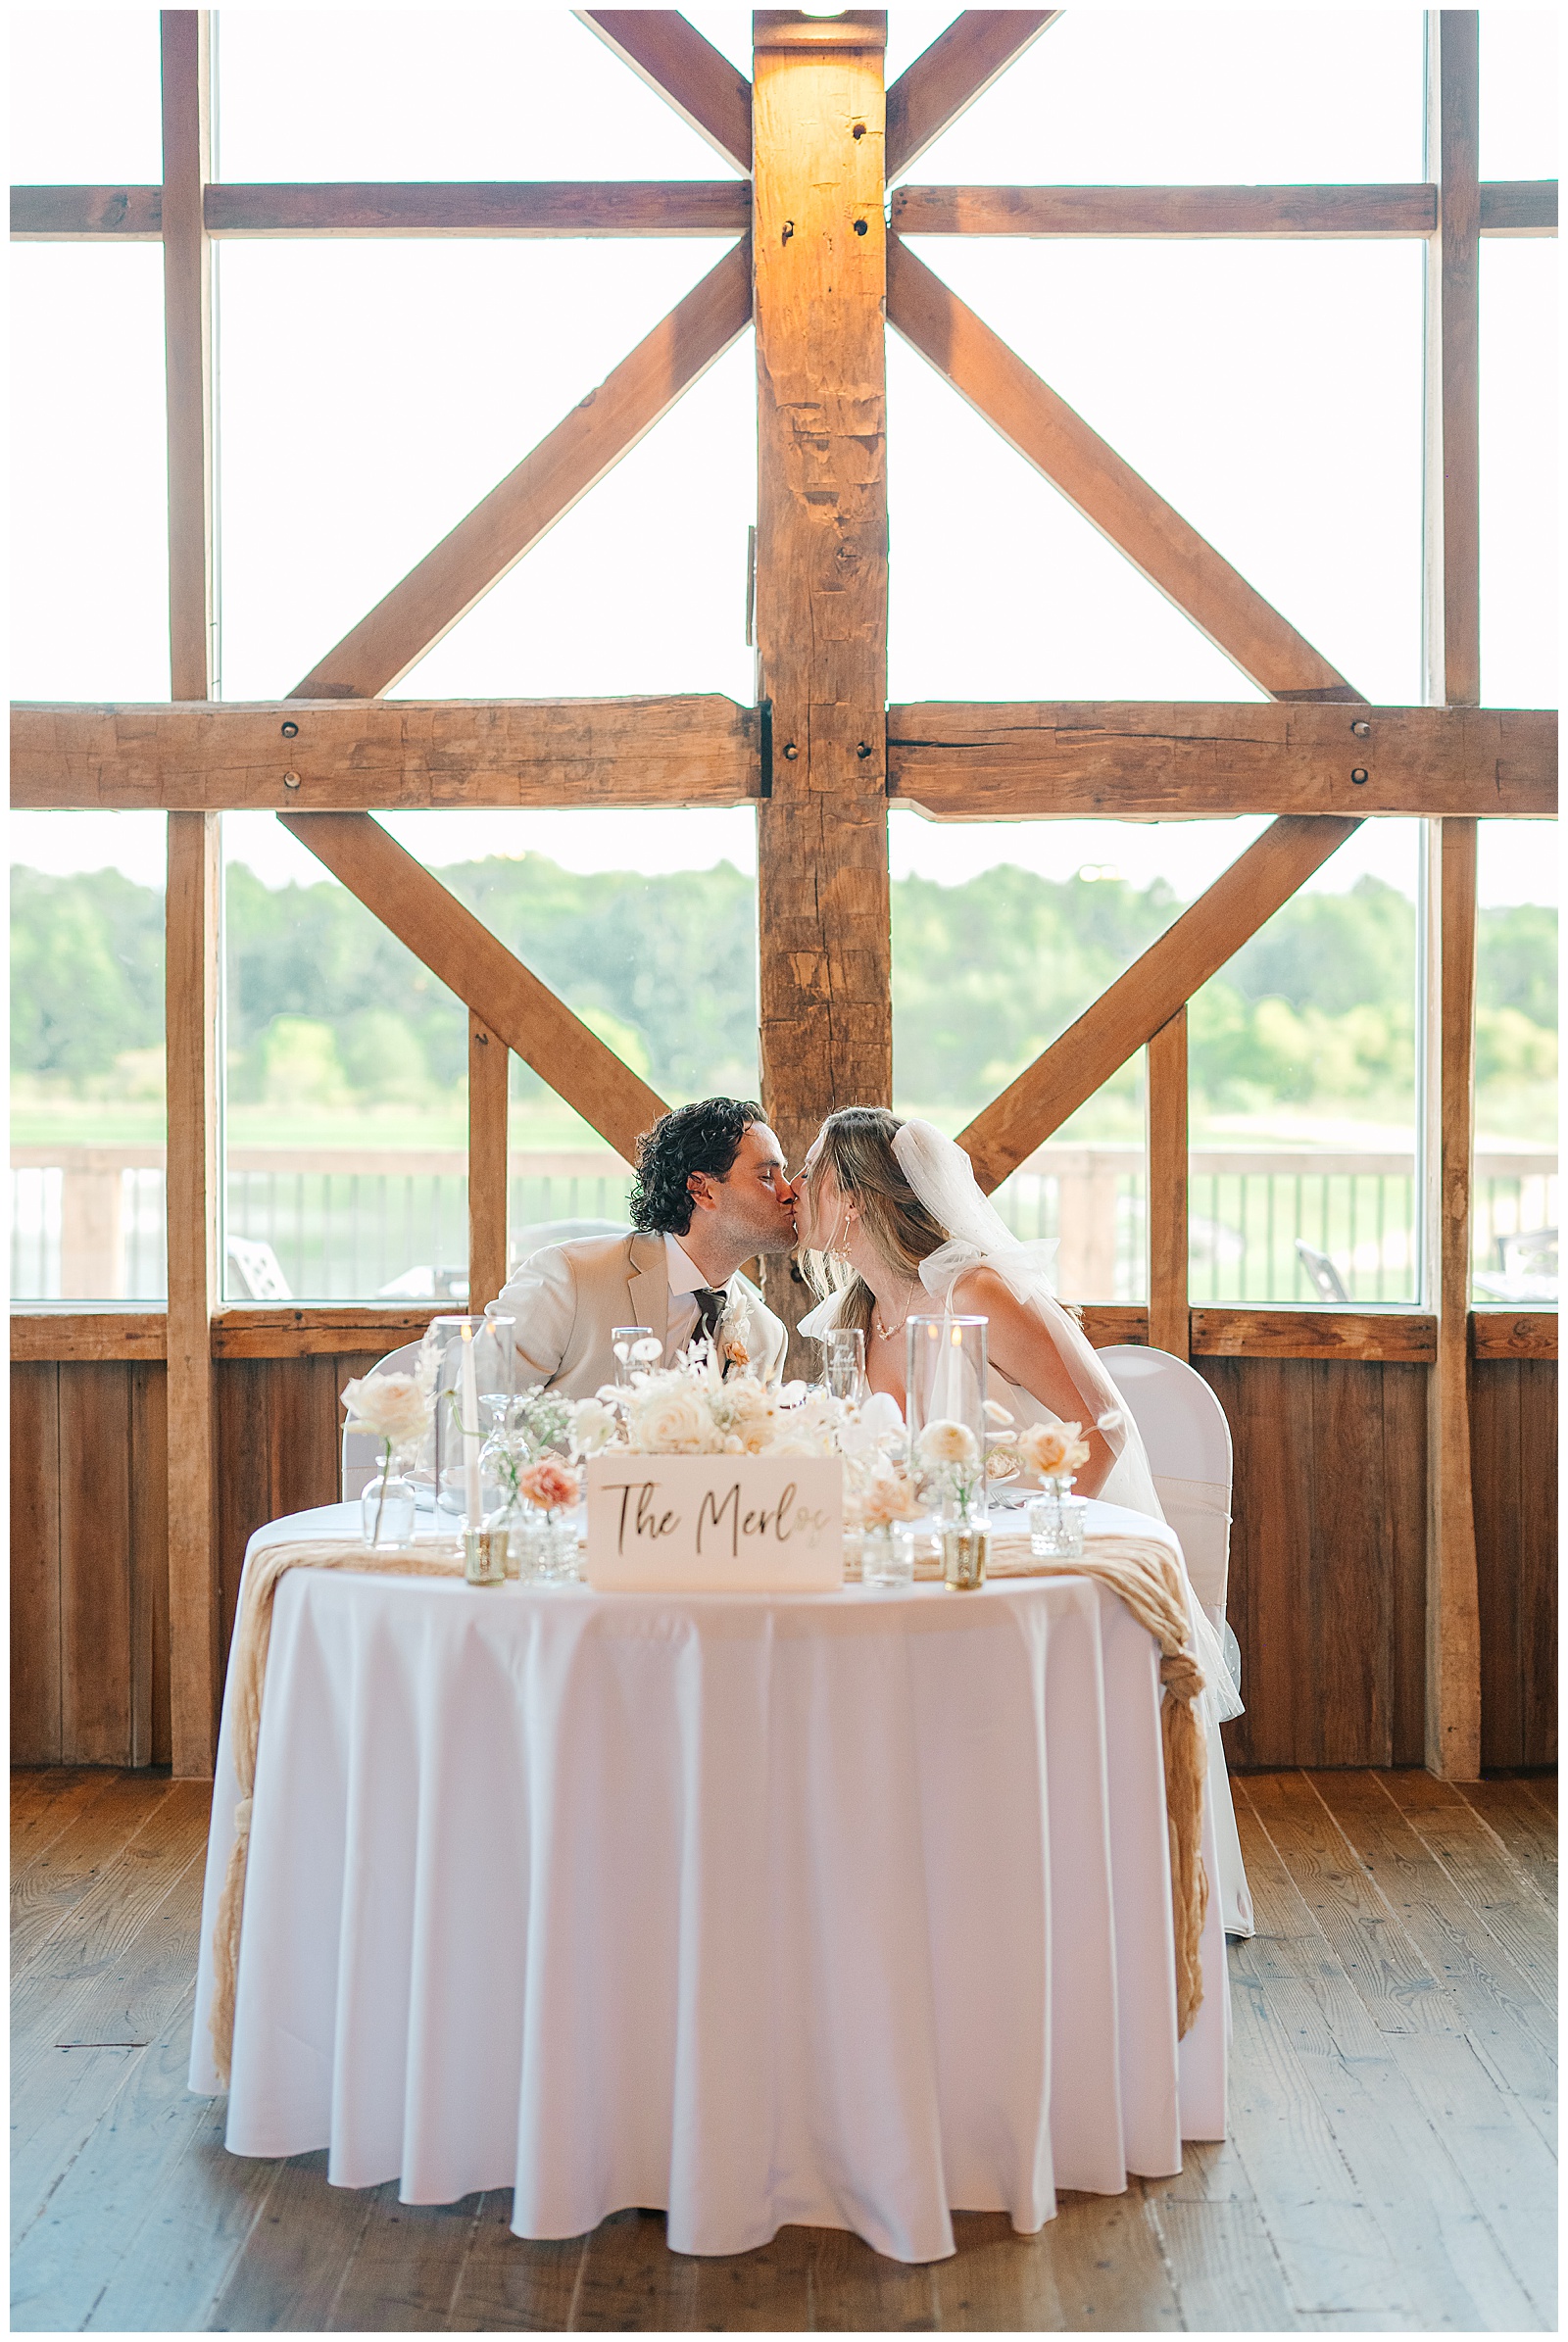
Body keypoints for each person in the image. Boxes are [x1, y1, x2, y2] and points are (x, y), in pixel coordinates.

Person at [793, 1104, 1252, 1936]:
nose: (793, 1190)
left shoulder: (975, 1290)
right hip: (918, 1557)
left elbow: (1103, 1426)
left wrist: (1027, 1531)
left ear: (853, 1197)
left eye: (810, 1174)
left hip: (1012, 1551)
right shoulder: (850, 1318)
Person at [488, 1098, 794, 1400]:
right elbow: (473, 1407)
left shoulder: (767, 1335)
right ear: (701, 1190)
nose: (788, 1192)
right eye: (767, 1176)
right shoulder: (570, 1277)